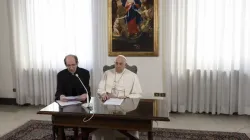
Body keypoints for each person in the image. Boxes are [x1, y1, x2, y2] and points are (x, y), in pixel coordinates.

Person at [92, 55, 142, 140]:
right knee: (99, 124)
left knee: (129, 125)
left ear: (125, 65)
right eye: (116, 63)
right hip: (108, 105)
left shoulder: (132, 76)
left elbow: (138, 93)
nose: (118, 66)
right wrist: (104, 94)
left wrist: (124, 96)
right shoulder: (107, 73)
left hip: (125, 105)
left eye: (121, 64)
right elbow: (100, 89)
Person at [54, 54, 91, 140]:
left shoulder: (85, 73)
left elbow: (87, 90)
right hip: (66, 103)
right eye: (68, 65)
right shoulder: (61, 74)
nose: (71, 68)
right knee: (57, 118)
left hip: (81, 103)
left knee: (86, 120)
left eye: (73, 65)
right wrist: (61, 96)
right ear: (65, 65)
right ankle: (61, 136)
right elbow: (59, 91)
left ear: (77, 63)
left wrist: (85, 95)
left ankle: (83, 136)